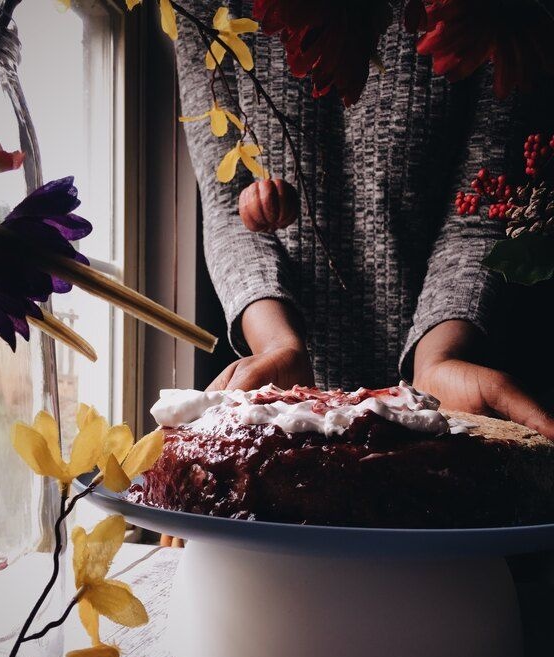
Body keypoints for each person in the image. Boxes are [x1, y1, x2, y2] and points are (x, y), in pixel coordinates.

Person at [173, 0, 554, 439]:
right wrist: (277, 344)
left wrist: (437, 359)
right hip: (278, 411)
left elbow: (485, 203)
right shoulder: (206, 6)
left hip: (452, 412)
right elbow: (227, 202)